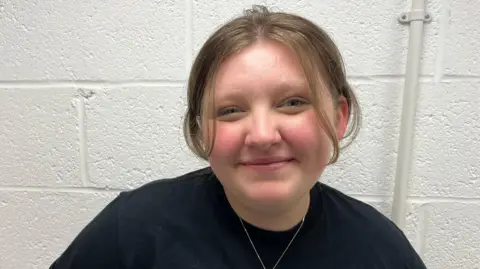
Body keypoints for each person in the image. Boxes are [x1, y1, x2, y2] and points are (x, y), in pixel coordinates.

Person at [49, 5, 427, 269]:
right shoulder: (131, 231)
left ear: (339, 116)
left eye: (293, 102)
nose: (262, 135)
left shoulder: (383, 251)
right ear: (200, 128)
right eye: (230, 110)